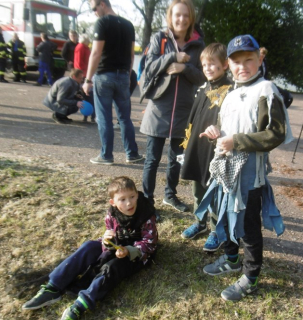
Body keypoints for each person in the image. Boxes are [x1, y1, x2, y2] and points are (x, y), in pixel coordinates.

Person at [197, 34, 293, 301]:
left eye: (248, 60)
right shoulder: (231, 92)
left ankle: (250, 277)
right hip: (224, 170)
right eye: (236, 61)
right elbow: (226, 127)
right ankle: (231, 260)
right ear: (228, 63)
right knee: (223, 219)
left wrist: (236, 141)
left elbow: (275, 134)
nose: (243, 66)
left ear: (259, 58)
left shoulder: (267, 90)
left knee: (249, 227)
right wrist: (215, 131)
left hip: (250, 176)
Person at [22, 176, 158, 320]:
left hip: (137, 254)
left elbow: (150, 243)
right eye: (122, 199)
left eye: (132, 197)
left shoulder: (146, 214)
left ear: (137, 194)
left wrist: (129, 250)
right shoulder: (112, 213)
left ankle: (81, 304)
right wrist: (107, 241)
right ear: (113, 202)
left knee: (112, 267)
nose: (129, 203)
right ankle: (53, 287)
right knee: (88, 246)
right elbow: (109, 233)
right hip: (117, 246)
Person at [140, 0, 205, 212]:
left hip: (184, 110)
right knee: (152, 160)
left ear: (191, 18)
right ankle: (148, 202)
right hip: (159, 108)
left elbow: (202, 76)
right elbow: (149, 69)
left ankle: (170, 195)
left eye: (186, 15)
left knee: (176, 160)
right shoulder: (160, 38)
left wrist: (184, 67)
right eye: (177, 15)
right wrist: (171, 57)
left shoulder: (198, 45)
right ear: (171, 16)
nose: (182, 19)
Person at [180, 43, 233, 251]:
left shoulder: (230, 91)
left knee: (215, 192)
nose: (208, 68)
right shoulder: (203, 88)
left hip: (215, 150)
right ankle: (200, 222)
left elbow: (230, 123)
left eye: (212, 64)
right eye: (204, 64)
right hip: (197, 147)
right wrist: (187, 145)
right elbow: (193, 120)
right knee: (197, 188)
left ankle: (215, 229)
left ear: (225, 64)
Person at [83, 0, 143, 165]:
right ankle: (132, 154)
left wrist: (88, 80)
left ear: (102, 4)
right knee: (125, 118)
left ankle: (106, 155)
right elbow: (132, 55)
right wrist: (127, 73)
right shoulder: (128, 25)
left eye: (94, 8)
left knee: (104, 118)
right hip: (123, 75)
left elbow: (96, 52)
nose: (94, 12)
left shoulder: (102, 23)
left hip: (104, 75)